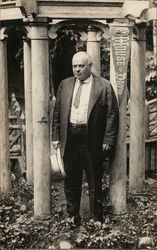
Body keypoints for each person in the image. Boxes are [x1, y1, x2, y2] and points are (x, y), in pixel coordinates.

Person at [52, 51, 119, 226]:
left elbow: (112, 115)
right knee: (71, 180)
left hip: (92, 140)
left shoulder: (103, 86)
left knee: (94, 180)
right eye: (74, 66)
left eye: (81, 66)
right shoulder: (65, 85)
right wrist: (56, 136)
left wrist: (108, 140)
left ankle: (97, 219)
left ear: (90, 66)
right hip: (70, 139)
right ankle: (72, 216)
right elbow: (57, 112)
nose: (77, 69)